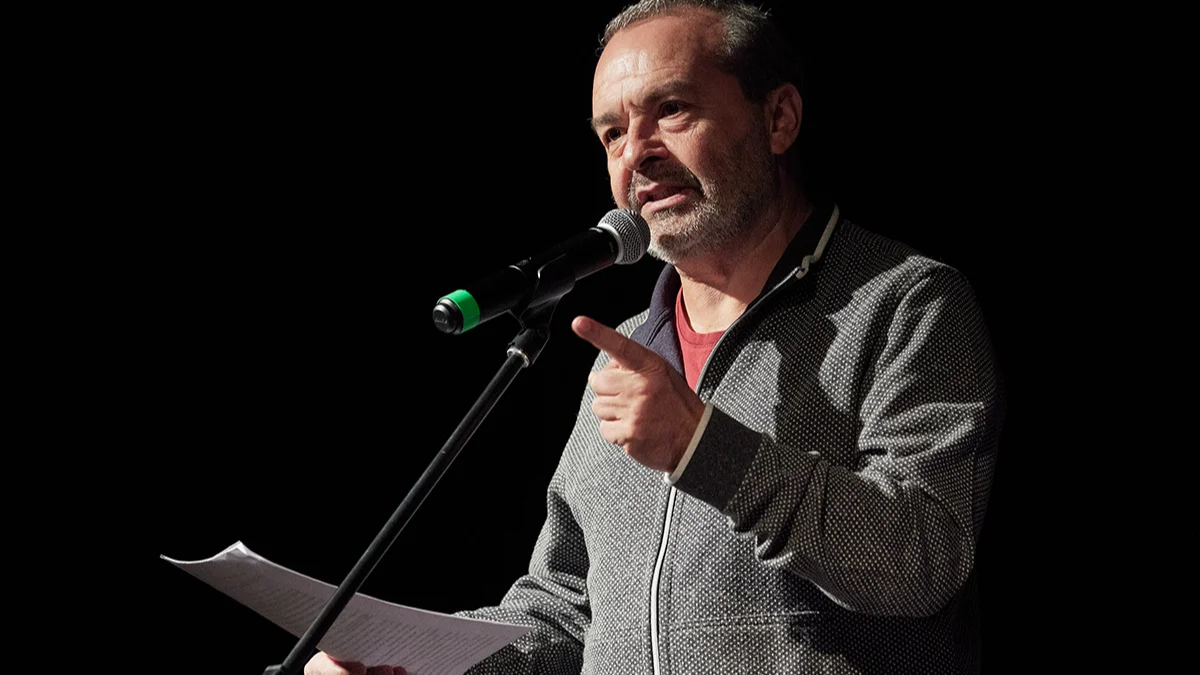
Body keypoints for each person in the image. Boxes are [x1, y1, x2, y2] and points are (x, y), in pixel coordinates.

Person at [308, 1, 1003, 673]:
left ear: (779, 118)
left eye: (671, 109)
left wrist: (704, 449)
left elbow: (923, 558)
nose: (637, 153)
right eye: (612, 133)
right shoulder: (628, 351)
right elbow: (568, 614)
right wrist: (420, 663)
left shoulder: (904, 302)